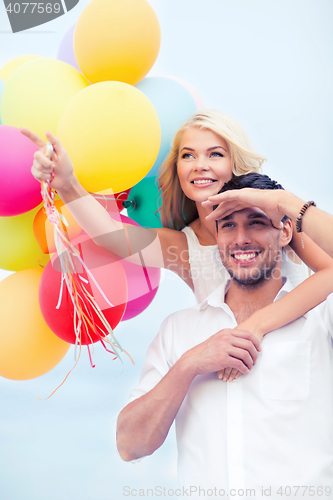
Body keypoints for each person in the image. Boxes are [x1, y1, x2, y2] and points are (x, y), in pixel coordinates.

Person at [21, 110, 333, 382]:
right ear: (178, 169)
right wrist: (66, 182)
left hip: (300, 361)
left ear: (234, 162)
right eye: (188, 155)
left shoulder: (273, 217)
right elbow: (113, 236)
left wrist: (255, 327)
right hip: (235, 372)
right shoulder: (186, 246)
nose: (200, 165)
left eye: (215, 154)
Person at [116, 173, 333, 499]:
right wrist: (188, 365)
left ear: (285, 231)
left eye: (257, 222)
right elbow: (130, 445)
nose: (241, 238)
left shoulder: (322, 318)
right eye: (228, 225)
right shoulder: (179, 330)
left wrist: (285, 203)